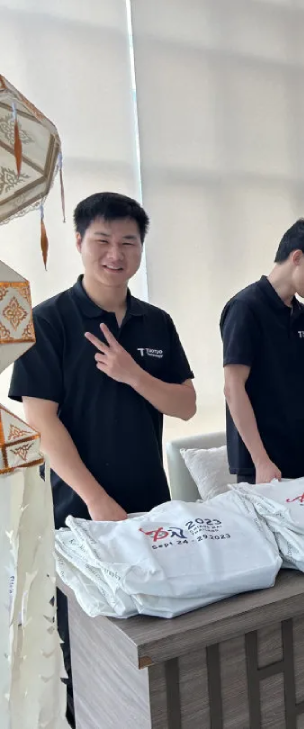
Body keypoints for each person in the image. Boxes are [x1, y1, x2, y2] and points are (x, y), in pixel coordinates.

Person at [9, 192, 196, 727]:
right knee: (83, 641)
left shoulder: (156, 323)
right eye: (103, 240)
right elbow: (41, 422)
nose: (116, 254)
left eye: (128, 242)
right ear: (78, 242)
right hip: (75, 512)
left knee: (148, 633)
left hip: (149, 505)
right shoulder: (49, 321)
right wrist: (96, 500)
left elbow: (185, 405)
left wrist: (133, 374)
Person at [221, 218, 304, 484]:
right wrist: (261, 461)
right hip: (263, 464)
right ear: (298, 257)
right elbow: (233, 388)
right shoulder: (245, 308)